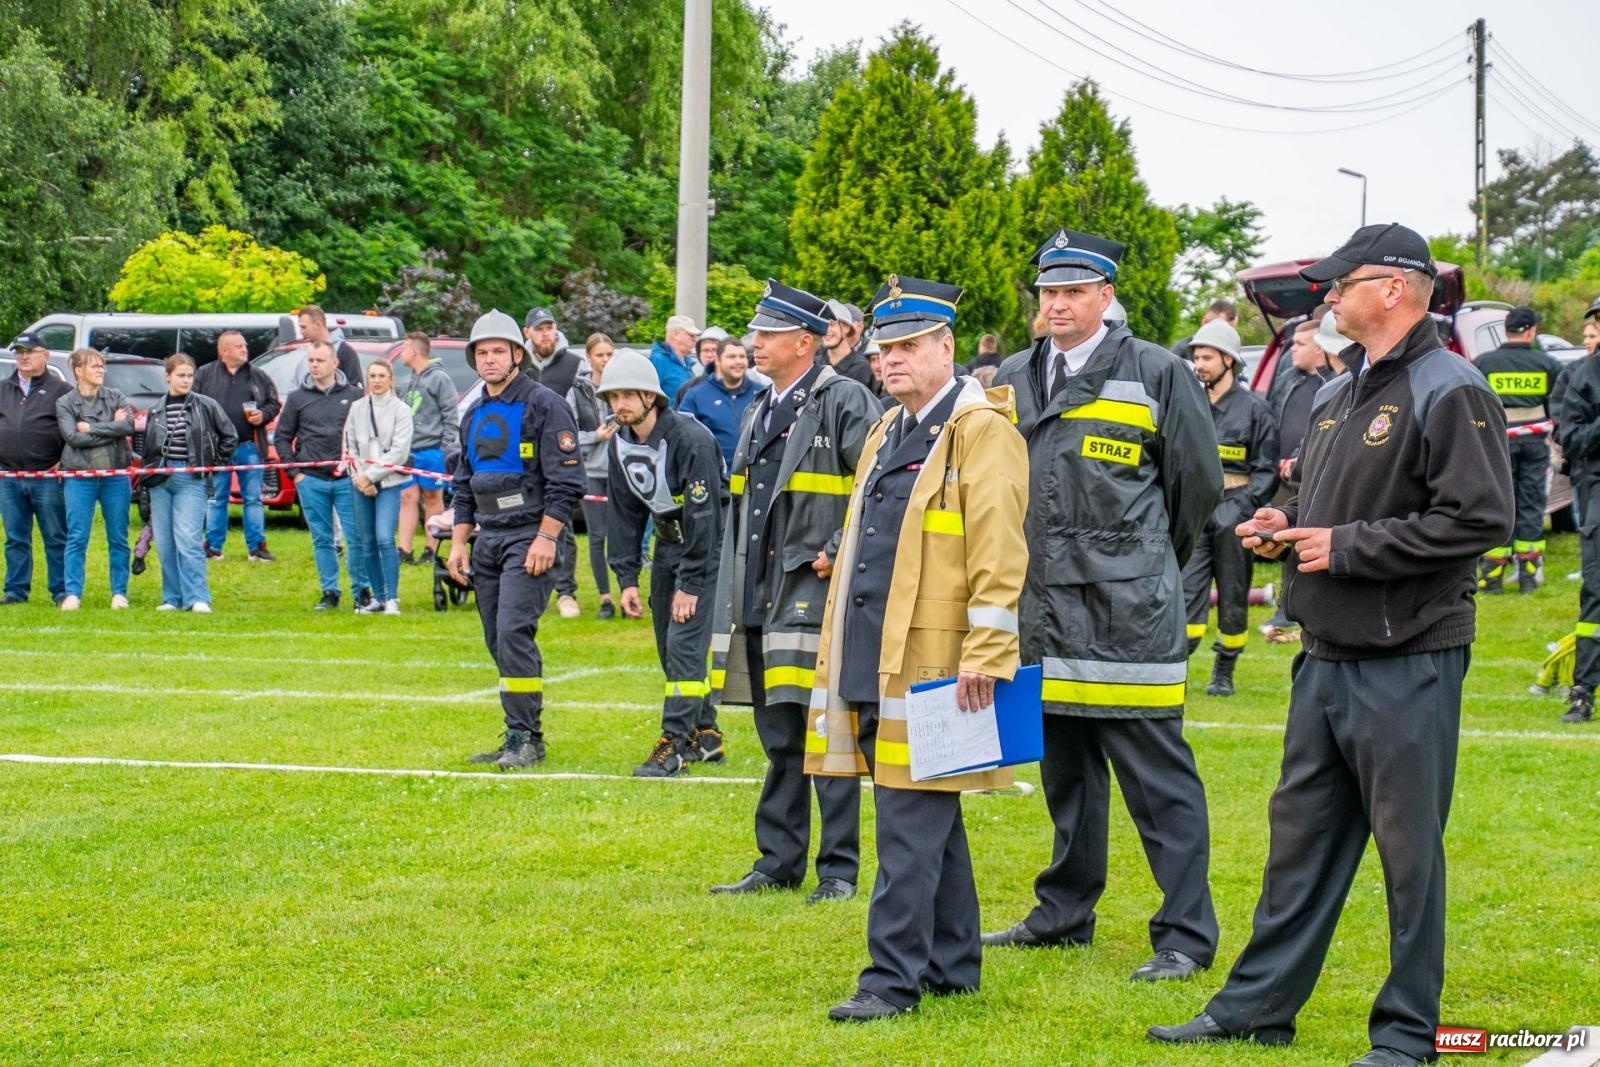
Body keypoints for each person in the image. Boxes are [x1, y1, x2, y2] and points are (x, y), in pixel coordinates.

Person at [1151, 223, 1514, 1067]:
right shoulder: (1332, 391)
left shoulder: (1449, 386)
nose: (1326, 297)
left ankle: (1407, 1036)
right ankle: (1256, 1009)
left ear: (1391, 287)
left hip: (1409, 653)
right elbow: (1317, 495)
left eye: (1338, 282)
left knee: (1408, 856)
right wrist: (1287, 523)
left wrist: (1346, 545)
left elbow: (1480, 518)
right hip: (1326, 652)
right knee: (1299, 841)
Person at [986, 228, 1223, 985]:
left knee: (1160, 785)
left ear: (1105, 296)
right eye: (1049, 293)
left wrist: (1145, 562)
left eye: (1074, 292)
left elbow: (1198, 489)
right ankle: (1063, 912)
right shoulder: (1012, 377)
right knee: (1068, 781)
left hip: (1128, 619)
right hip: (1041, 614)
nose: (1058, 304)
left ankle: (1185, 933)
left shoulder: (1156, 372)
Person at [806, 275, 1029, 1021]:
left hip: (938, 659)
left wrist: (987, 649)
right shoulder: (887, 428)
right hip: (878, 652)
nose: (889, 360)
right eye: (882, 348)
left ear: (947, 346)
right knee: (927, 813)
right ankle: (952, 964)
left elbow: (1000, 546)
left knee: (906, 823)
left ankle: (889, 981)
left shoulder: (980, 428)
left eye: (906, 346)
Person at [707, 280, 879, 904]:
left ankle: (838, 870)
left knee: (823, 732)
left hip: (815, 589)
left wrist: (836, 550)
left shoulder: (846, 399)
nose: (754, 344)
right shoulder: (761, 406)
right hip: (761, 591)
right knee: (778, 733)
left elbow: (877, 485)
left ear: (805, 341)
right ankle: (778, 861)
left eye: (767, 334)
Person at [449, 310, 586, 770]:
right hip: (488, 538)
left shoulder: (545, 404)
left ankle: (527, 737)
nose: (489, 360)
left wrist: (547, 538)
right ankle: (515, 733)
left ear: (516, 355)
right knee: (497, 638)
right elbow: (463, 485)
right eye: (481, 352)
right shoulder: (474, 414)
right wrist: (457, 543)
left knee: (513, 632)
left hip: (531, 535)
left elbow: (567, 482)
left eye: (497, 351)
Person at [599, 351, 725, 776]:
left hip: (705, 549)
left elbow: (705, 520)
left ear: (651, 396)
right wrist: (627, 577)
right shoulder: (620, 443)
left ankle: (672, 744)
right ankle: (705, 735)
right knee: (668, 648)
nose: (620, 404)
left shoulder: (691, 439)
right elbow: (623, 514)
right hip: (668, 548)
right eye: (613, 396)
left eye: (628, 395)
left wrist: (691, 583)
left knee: (684, 645)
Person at [1181, 319, 1280, 696]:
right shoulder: (1189, 403)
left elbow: (1267, 470)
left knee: (1234, 594)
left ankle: (1223, 672)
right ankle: (1177, 666)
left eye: (1206, 357)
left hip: (1235, 514)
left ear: (1228, 360)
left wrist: (1242, 508)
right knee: (1187, 592)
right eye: (1195, 357)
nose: (1199, 364)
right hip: (1196, 513)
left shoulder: (1255, 409)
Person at [1473, 306, 1563, 593]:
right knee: (1531, 503)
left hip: (1497, 444)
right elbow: (1558, 405)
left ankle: (1491, 577)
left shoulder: (1484, 363)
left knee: (1498, 503)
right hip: (1535, 444)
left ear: (1507, 330)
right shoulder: (1547, 363)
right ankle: (1528, 576)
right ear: (1531, 331)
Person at [141, 354, 237, 613]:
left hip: (190, 477)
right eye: (181, 375)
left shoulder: (206, 405)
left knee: (188, 538)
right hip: (161, 479)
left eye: (189, 375)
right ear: (168, 376)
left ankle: (197, 597)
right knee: (164, 541)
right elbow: (147, 445)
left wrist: (212, 462)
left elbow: (229, 435)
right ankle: (172, 598)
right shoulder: (155, 408)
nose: (186, 380)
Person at [277, 340, 369, 611]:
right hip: (311, 479)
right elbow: (283, 437)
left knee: (356, 537)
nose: (314, 365)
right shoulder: (297, 398)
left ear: (334, 363)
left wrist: (360, 471)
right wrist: (295, 472)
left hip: (346, 480)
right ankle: (330, 591)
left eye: (319, 360)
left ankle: (361, 590)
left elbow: (366, 436)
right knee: (322, 539)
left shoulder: (354, 396)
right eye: (311, 361)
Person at [54, 349, 137, 610]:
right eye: (94, 366)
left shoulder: (116, 396)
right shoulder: (65, 402)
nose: (101, 370)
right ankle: (73, 593)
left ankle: (119, 593)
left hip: (115, 477)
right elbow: (72, 438)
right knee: (77, 536)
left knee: (118, 537)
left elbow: (128, 427)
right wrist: (111, 429)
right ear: (78, 371)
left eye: (102, 366)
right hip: (80, 477)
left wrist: (91, 427)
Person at [523, 307, 591, 619]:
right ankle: (528, 586)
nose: (545, 334)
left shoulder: (575, 365)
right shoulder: (518, 364)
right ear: (528, 333)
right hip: (524, 457)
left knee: (560, 520)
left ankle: (566, 592)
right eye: (539, 329)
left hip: (561, 453)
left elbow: (588, 413)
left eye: (550, 328)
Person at [1552, 300, 1600, 724]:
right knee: (1597, 593)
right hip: (1598, 490)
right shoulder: (1581, 376)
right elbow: (1573, 439)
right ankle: (1583, 690)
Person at [195, 329, 280, 563]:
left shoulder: (258, 376)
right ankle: (212, 547)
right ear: (224, 351)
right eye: (238, 346)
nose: (245, 349)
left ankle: (257, 548)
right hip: (216, 450)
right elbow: (192, 406)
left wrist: (263, 415)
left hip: (249, 447)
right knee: (215, 498)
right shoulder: (204, 375)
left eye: (244, 345)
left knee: (253, 498)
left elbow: (274, 403)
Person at [0, 332, 72, 605]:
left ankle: (61, 590)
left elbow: (72, 432)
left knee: (55, 535)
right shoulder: (3, 388)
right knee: (15, 537)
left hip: (46, 476)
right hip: (9, 476)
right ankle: (16, 591)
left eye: (29, 351)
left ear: (45, 354)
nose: (23, 356)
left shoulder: (61, 390)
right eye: (19, 351)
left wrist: (62, 461)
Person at [344, 360, 414, 614]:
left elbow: (399, 451)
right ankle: (378, 597)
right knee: (367, 541)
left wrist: (371, 476)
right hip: (361, 483)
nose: (376, 380)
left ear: (391, 379)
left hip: (389, 482)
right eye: (372, 375)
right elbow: (349, 447)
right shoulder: (356, 408)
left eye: (382, 375)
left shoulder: (401, 410)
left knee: (385, 538)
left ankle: (392, 598)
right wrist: (360, 479)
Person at [396, 333, 459, 568]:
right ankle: (404, 549)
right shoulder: (405, 382)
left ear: (414, 351)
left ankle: (432, 548)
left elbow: (450, 415)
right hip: (409, 451)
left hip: (433, 450)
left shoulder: (440, 379)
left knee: (432, 498)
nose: (402, 353)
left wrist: (444, 449)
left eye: (404, 348)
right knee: (407, 497)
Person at [574, 333, 619, 619]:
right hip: (592, 470)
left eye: (609, 354)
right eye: (600, 355)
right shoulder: (576, 390)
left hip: (620, 471)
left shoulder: (622, 387)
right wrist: (595, 436)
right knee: (597, 536)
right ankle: (605, 598)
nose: (604, 359)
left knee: (624, 536)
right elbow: (567, 435)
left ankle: (629, 591)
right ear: (589, 357)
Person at [677, 336, 760, 473]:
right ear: (718, 361)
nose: (738, 361)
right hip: (713, 481)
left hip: (752, 482)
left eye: (742, 356)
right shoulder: (695, 396)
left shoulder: (761, 393)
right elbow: (682, 439)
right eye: (732, 357)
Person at [298, 305, 363, 385]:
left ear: (317, 324)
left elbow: (355, 391)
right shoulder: (303, 354)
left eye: (304, 327)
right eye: (311, 360)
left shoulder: (345, 352)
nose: (301, 332)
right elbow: (294, 389)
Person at [821, 299, 875, 388]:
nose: (827, 330)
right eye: (824, 324)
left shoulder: (864, 369)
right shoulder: (814, 364)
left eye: (832, 324)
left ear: (846, 328)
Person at [649, 314, 700, 404]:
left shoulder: (687, 363)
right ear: (675, 334)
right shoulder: (658, 361)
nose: (695, 340)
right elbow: (649, 398)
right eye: (691, 335)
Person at [1170, 298, 1238, 359]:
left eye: (1232, 332)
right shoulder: (1179, 354)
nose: (1228, 336)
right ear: (1205, 322)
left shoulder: (1230, 355)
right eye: (1223, 330)